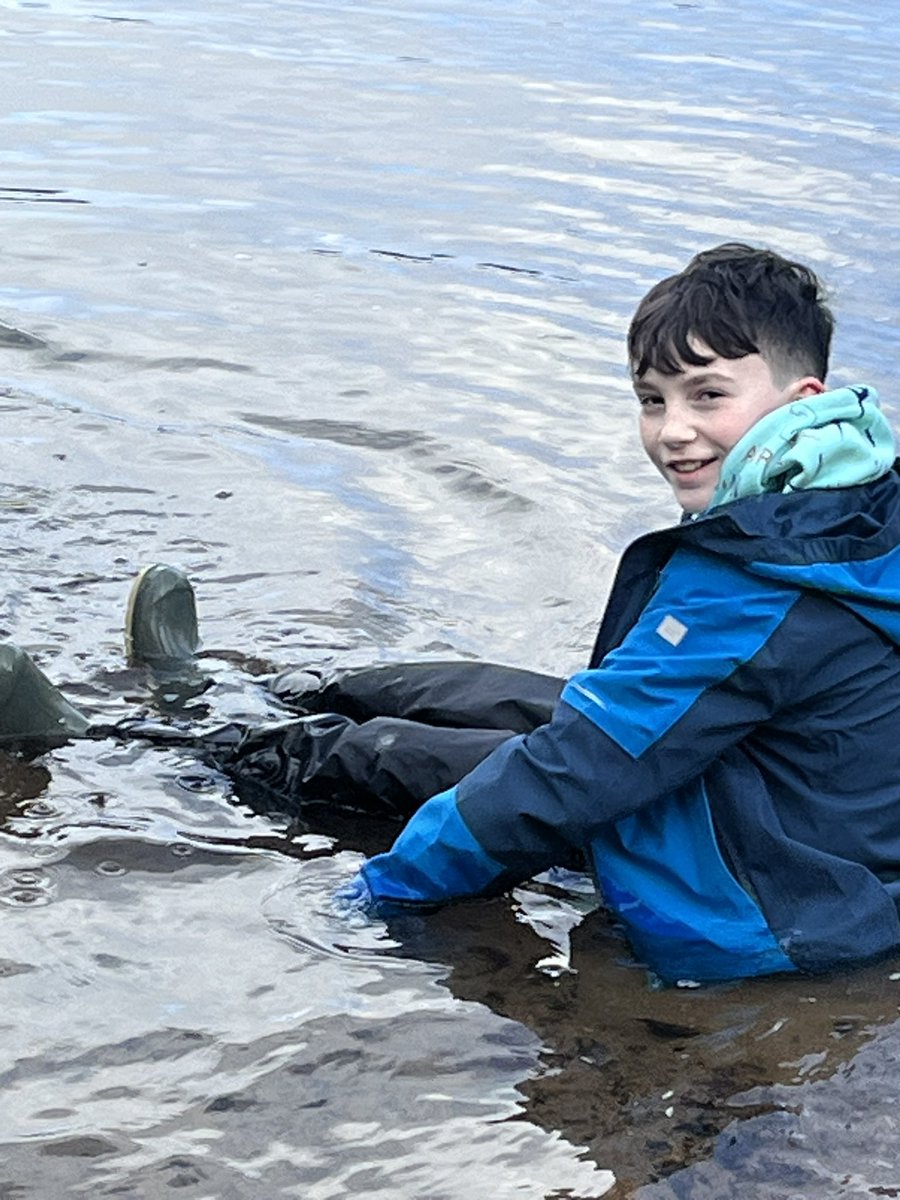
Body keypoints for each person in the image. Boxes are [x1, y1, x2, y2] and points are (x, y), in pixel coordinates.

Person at [6, 243, 900, 984]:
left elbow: (571, 777)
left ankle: (119, 740)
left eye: (707, 395)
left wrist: (379, 895)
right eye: (651, 399)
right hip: (780, 818)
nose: (671, 430)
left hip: (761, 898)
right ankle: (254, 686)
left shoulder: (754, 588)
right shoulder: (855, 505)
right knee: (477, 691)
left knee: (395, 760)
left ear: (801, 402)